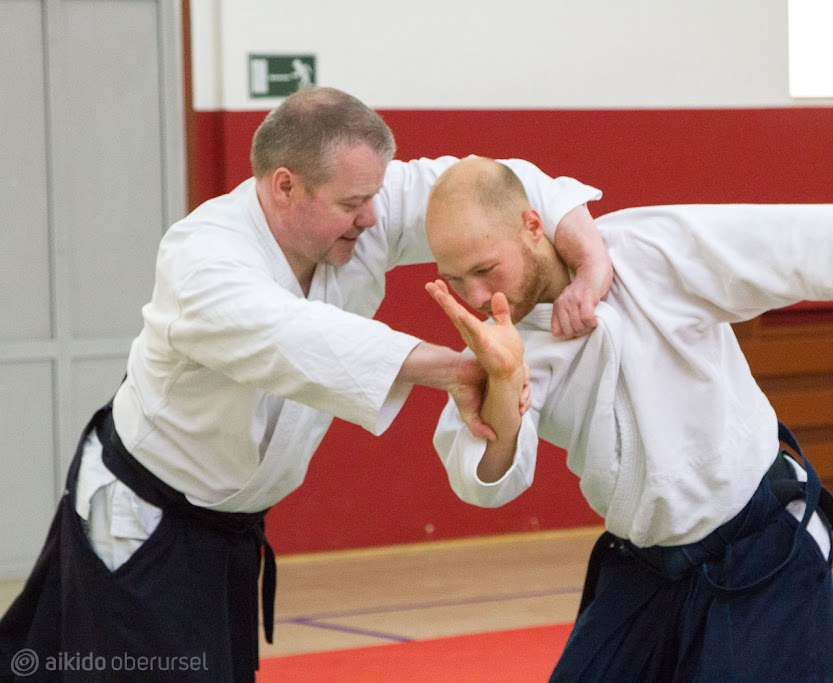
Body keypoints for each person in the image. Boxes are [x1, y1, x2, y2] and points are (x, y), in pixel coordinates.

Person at [0, 89, 611, 682]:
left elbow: (507, 187)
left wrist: (590, 266)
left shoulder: (367, 205)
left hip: (229, 525)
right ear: (285, 186)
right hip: (137, 515)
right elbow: (291, 336)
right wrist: (456, 368)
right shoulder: (202, 255)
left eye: (375, 195)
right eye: (352, 204)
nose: (372, 217)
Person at [423, 157, 833, 681]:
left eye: (485, 269)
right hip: (647, 566)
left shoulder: (644, 251)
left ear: (530, 224)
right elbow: (488, 473)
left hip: (761, 542)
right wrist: (503, 377)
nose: (475, 294)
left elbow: (787, 246)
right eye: (455, 280)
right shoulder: (500, 344)